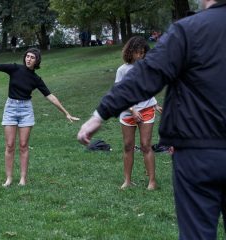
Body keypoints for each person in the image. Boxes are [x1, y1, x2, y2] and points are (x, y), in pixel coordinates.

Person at [78, 0, 226, 239]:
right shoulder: (187, 30)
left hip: (198, 155)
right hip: (196, 150)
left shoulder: (188, 30)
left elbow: (148, 74)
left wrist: (100, 114)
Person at [0, 48, 79, 187]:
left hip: (25, 110)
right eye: (27, 56)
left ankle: (23, 179)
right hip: (10, 108)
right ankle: (9, 178)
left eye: (32, 57)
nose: (28, 59)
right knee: (10, 145)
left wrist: (66, 113)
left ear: (37, 61)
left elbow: (50, 96)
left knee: (23, 145)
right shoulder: (15, 68)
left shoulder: (36, 79)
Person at [114, 36, 162, 190]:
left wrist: (155, 104)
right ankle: (127, 180)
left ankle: (152, 182)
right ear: (130, 52)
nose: (140, 56)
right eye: (137, 52)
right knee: (128, 146)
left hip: (146, 110)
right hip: (128, 112)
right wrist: (132, 109)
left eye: (143, 53)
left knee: (145, 145)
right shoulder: (122, 70)